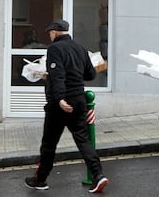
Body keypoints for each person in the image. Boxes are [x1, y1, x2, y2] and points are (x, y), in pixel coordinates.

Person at [24, 19, 108, 194]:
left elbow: (58, 74)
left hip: (60, 103)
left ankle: (40, 180)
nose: (49, 35)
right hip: (79, 99)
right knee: (83, 139)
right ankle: (98, 175)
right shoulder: (80, 48)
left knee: (49, 143)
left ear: (55, 32)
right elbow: (90, 74)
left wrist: (60, 98)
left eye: (50, 32)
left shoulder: (54, 49)